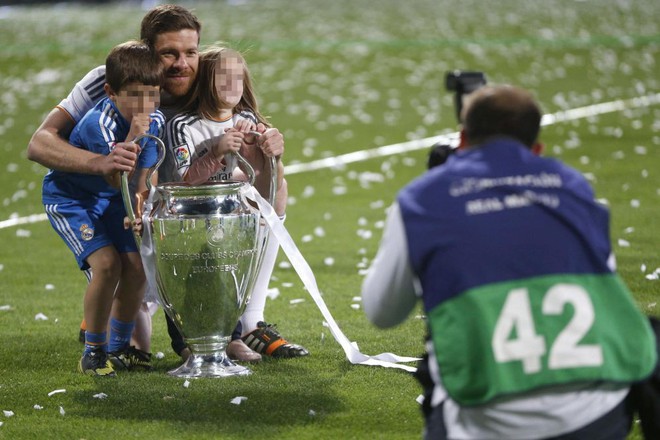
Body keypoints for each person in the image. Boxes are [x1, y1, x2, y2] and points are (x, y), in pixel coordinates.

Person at [361, 85, 658, 439]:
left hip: (486, 422)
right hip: (598, 412)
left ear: (462, 137)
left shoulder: (422, 200)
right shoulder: (573, 186)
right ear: (536, 149)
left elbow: (382, 312)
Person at [27, 4, 297, 364]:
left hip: (166, 191)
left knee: (257, 197)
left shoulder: (209, 80)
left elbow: (262, 177)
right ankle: (116, 315)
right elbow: (39, 143)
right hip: (109, 198)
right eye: (168, 53)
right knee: (127, 284)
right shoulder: (112, 79)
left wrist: (268, 152)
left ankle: (249, 322)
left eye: (190, 52)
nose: (180, 64)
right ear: (146, 51)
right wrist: (102, 163)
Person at [165, 46, 309, 362]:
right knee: (192, 272)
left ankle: (244, 327)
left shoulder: (246, 119)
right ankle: (185, 337)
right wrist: (216, 152)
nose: (232, 86)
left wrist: (272, 154)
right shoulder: (182, 125)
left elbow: (269, 184)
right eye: (222, 78)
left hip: (230, 214)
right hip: (186, 218)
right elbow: (184, 179)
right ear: (204, 82)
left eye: (238, 79)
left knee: (277, 193)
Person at [42, 40, 164, 376]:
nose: (146, 105)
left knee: (137, 268)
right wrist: (134, 137)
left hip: (112, 199)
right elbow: (116, 178)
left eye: (152, 94)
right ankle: (94, 351)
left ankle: (120, 347)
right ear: (110, 92)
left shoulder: (157, 120)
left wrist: (137, 212)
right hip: (72, 200)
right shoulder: (99, 125)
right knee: (108, 266)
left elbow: (139, 182)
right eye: (135, 95)